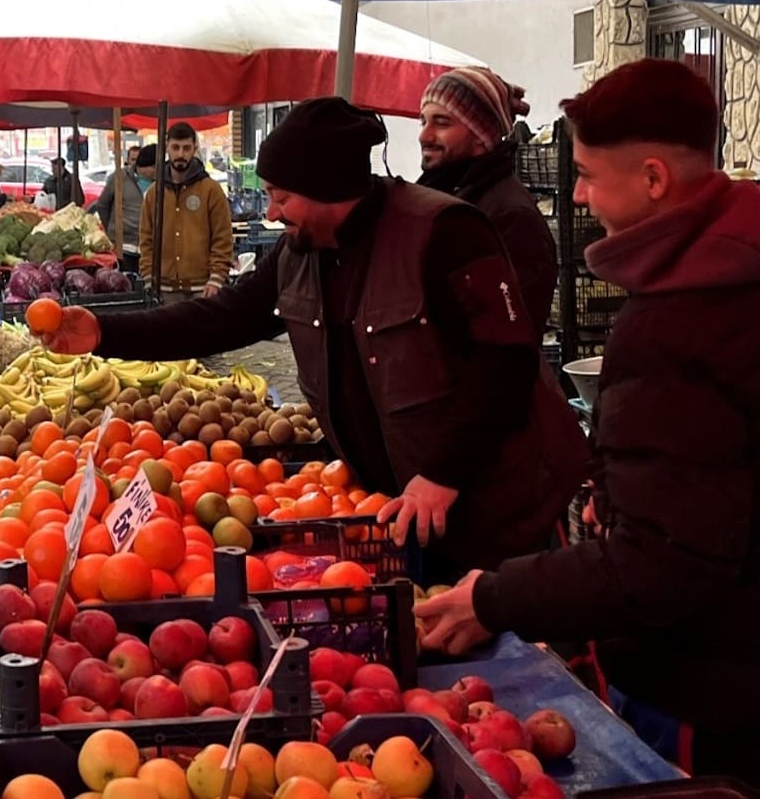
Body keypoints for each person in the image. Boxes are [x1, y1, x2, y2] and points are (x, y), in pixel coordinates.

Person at [413, 59, 760, 799]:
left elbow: (662, 565)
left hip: (710, 690)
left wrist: (493, 597)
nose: (578, 194)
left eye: (588, 175)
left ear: (654, 178)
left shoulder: (675, 325)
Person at [37, 98, 586, 581]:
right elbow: (223, 317)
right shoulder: (301, 251)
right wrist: (105, 332)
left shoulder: (444, 233)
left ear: (327, 190)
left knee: (518, 646)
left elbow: (507, 360)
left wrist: (444, 474)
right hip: (402, 509)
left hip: (495, 504)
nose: (272, 212)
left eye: (281, 197)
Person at [416, 66, 557, 333]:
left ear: (481, 136)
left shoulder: (511, 216)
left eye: (442, 123)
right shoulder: (435, 196)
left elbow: (512, 330)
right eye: (423, 121)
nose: (424, 135)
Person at [138, 123, 233, 301]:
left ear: (194, 149)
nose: (181, 154)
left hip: (204, 288)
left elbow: (223, 237)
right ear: (167, 148)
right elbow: (146, 239)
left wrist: (217, 277)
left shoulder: (211, 191)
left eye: (186, 148)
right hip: (164, 289)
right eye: (175, 147)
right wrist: (149, 276)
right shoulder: (154, 194)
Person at [93, 144, 155, 268]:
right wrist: (112, 228)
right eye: (154, 167)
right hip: (122, 246)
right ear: (145, 166)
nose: (157, 171)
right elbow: (103, 205)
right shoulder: (120, 177)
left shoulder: (161, 183)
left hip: (148, 249)